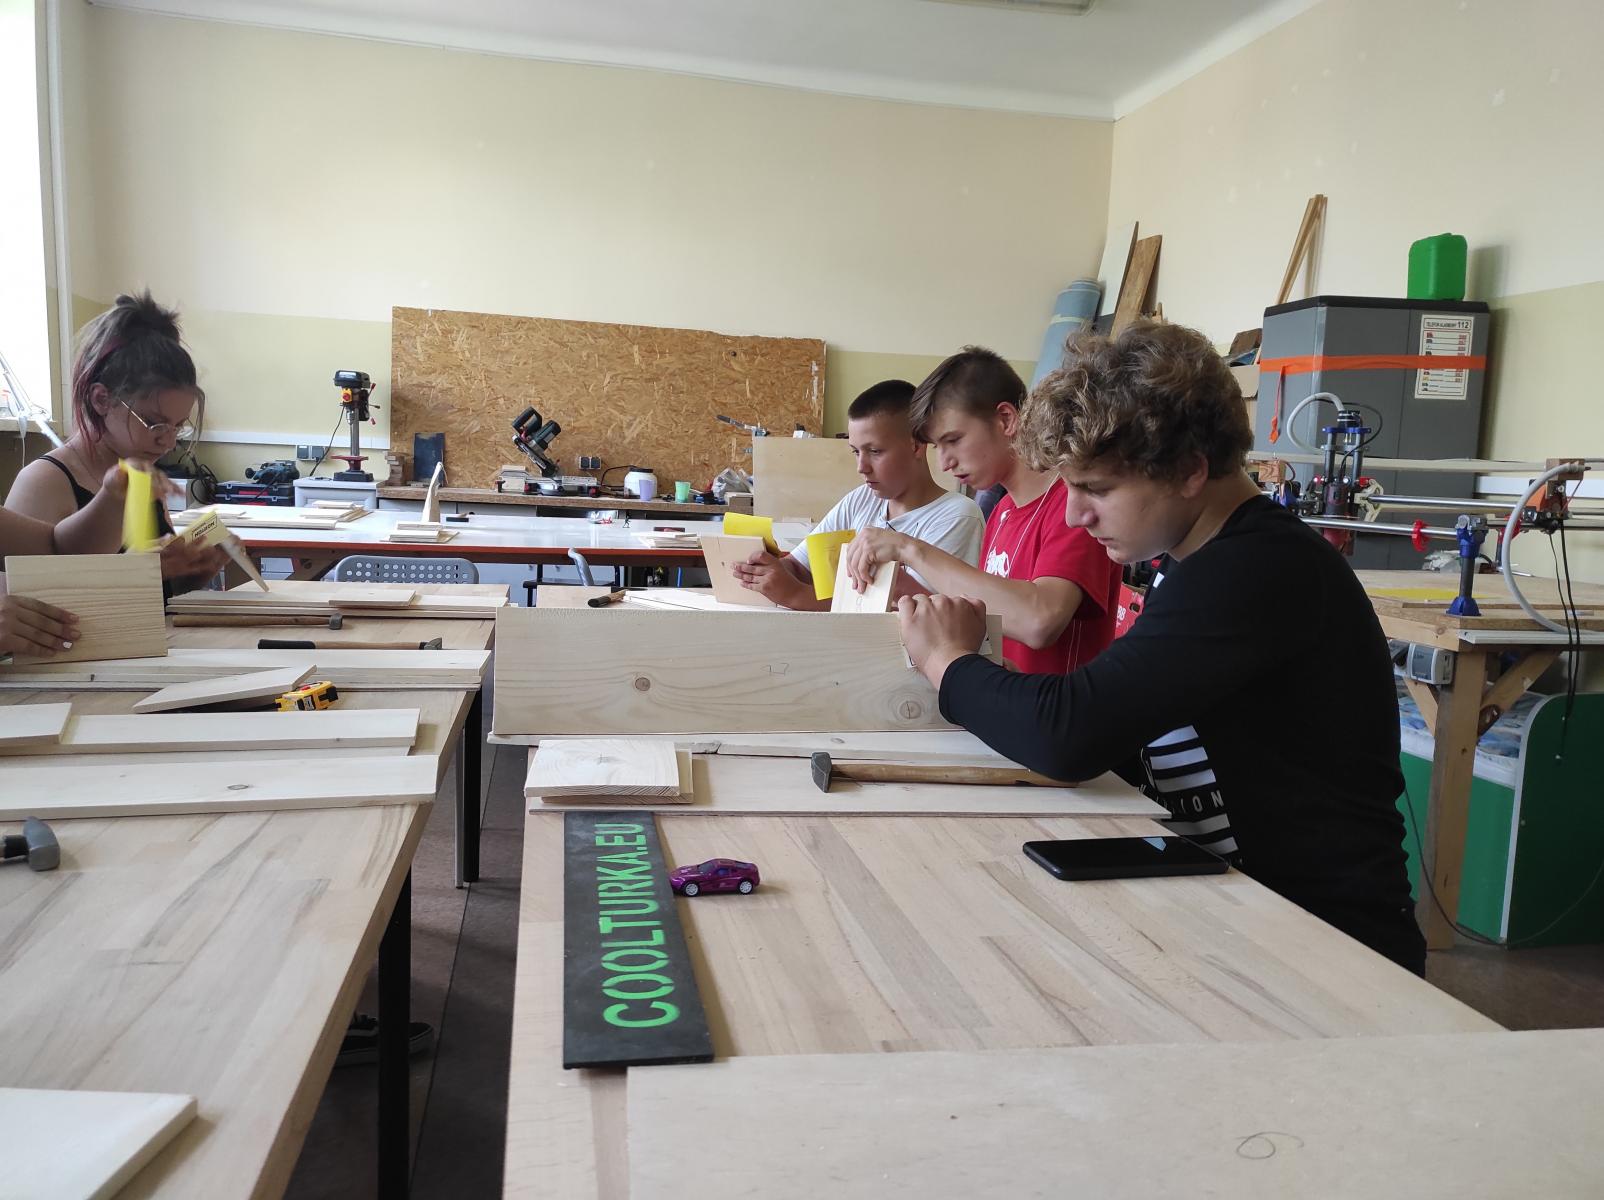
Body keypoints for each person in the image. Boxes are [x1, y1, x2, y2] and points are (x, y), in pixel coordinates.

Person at [896, 322, 1425, 975]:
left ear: (1189, 470)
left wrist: (947, 662)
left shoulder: (1256, 568)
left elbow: (1070, 733)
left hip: (1329, 948)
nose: (1075, 515)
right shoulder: (1192, 561)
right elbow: (1115, 722)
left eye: (1097, 489)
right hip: (1243, 913)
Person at [843, 347, 1119, 673]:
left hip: (1059, 703)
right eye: (938, 446)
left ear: (1006, 420)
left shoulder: (1073, 504)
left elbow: (1039, 620)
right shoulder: (1002, 512)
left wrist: (908, 548)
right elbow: (989, 618)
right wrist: (904, 589)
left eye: (953, 440)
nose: (944, 463)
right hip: (1009, 697)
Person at [5, 291, 229, 594]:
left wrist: (195, 569)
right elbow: (35, 599)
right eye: (153, 423)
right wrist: (141, 570)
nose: (167, 442)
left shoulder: (140, 475)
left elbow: (155, 594)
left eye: (177, 427)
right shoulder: (44, 481)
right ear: (101, 399)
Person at [732, 380, 983, 609]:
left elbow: (910, 611)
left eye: (875, 451)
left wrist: (795, 595)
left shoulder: (957, 516)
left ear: (915, 446)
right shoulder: (862, 499)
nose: (861, 467)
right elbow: (800, 567)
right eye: (856, 452)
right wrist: (765, 570)